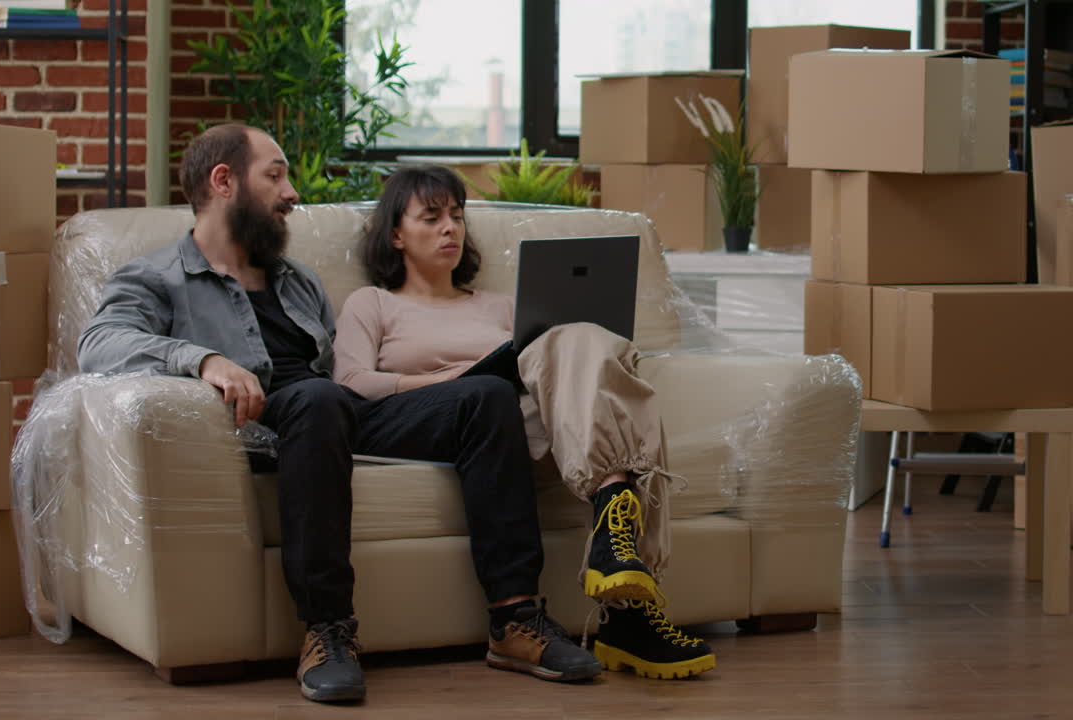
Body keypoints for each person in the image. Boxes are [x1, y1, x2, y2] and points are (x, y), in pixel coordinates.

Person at [77, 125, 600, 704]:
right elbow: (98, 344)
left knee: (485, 395)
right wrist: (202, 359)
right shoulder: (156, 277)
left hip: (334, 417)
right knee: (318, 399)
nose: (292, 192)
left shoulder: (295, 280)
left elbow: (341, 372)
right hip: (261, 424)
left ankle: (515, 620)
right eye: (274, 175)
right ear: (223, 182)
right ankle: (327, 628)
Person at [333, 165, 717, 680]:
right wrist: (454, 382)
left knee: (586, 344)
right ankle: (630, 610)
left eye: (456, 216)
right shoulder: (373, 303)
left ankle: (619, 550)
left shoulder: (500, 306)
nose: (451, 227)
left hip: (518, 429)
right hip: (435, 423)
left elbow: (552, 376)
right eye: (432, 217)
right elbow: (352, 381)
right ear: (396, 234)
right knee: (504, 384)